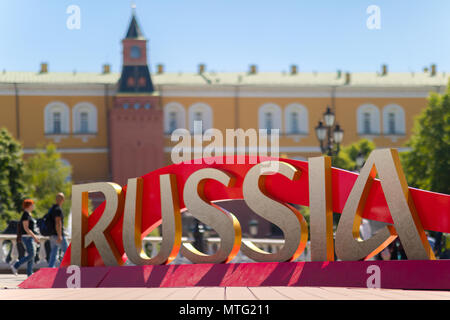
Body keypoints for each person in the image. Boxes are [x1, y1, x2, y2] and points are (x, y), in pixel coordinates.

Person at [11, 199, 40, 277]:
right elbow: (26, 228)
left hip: (29, 237)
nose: (33, 206)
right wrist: (35, 237)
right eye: (32, 204)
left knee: (32, 255)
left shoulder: (28, 214)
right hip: (27, 237)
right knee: (31, 254)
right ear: (29, 206)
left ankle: (29, 273)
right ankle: (15, 265)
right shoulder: (25, 215)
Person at [48, 193, 68, 268]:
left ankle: (50, 270)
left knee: (53, 254)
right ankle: (64, 269)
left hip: (52, 235)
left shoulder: (52, 208)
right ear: (63, 200)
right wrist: (59, 235)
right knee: (67, 253)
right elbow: (58, 223)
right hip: (57, 235)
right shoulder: (58, 210)